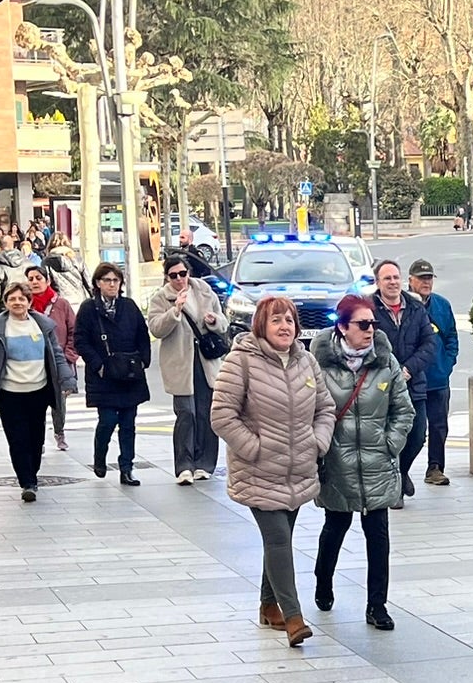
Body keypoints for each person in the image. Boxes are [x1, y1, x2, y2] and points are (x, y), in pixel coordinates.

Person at [210, 295, 334, 648]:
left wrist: (317, 442)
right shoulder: (241, 362)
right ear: (261, 325)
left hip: (298, 470)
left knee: (278, 542)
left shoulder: (306, 361)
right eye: (276, 320)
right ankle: (294, 616)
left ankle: (268, 606)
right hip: (259, 471)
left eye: (290, 321)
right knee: (278, 539)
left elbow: (325, 408)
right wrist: (255, 449)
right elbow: (222, 415)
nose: (284, 327)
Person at [315, 294, 414, 629]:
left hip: (377, 463)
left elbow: (404, 411)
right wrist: (322, 447)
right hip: (338, 463)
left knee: (378, 535)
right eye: (362, 324)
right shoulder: (321, 366)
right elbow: (310, 412)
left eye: (373, 323)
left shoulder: (385, 362)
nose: (370, 329)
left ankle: (377, 606)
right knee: (335, 527)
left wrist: (390, 444)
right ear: (342, 327)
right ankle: (323, 581)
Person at [0, 281, 71, 502]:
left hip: (38, 390)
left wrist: (66, 378)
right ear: (6, 303)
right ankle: (27, 482)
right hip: (10, 393)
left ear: (29, 302)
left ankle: (33, 473)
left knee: (36, 439)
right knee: (18, 439)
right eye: (12, 299)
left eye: (22, 299)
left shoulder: (43, 326)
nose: (17, 302)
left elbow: (56, 354)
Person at [148, 257, 226, 485]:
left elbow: (223, 322)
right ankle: (184, 466)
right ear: (166, 277)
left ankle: (205, 464)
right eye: (173, 276)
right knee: (186, 413)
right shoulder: (161, 298)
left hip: (205, 361)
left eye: (183, 274)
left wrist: (213, 320)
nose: (179, 279)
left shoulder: (203, 290)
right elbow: (156, 328)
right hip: (180, 362)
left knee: (206, 413)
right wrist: (175, 311)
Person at [73, 262, 151, 486]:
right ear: (98, 283)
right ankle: (100, 458)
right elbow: (80, 340)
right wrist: (98, 365)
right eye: (107, 280)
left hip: (129, 374)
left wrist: (143, 360)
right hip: (104, 376)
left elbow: (142, 334)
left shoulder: (128, 306)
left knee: (128, 424)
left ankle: (127, 467)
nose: (112, 284)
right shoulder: (89, 308)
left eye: (115, 280)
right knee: (107, 421)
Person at [371, 260, 437, 505]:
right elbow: (368, 344)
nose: (393, 282)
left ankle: (402, 471)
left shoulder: (415, 308)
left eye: (396, 277)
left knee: (418, 435)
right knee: (390, 438)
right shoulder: (369, 309)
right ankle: (395, 487)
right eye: (387, 278)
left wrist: (407, 369)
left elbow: (429, 344)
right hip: (382, 387)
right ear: (378, 283)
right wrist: (391, 371)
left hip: (413, 383)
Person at [407, 260, 458, 487]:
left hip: (438, 379)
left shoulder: (442, 305)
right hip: (412, 380)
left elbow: (452, 338)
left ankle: (435, 468)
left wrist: (447, 364)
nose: (426, 282)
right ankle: (401, 471)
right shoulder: (405, 306)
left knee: (439, 427)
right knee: (412, 431)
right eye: (421, 278)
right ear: (411, 281)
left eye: (429, 278)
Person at [24, 264, 79, 452]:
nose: (34, 282)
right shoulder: (25, 305)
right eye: (30, 279)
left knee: (59, 402)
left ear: (47, 281)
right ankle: (37, 440)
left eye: (38, 278)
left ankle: (59, 432)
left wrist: (68, 356)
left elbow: (74, 331)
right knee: (35, 404)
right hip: (32, 363)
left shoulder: (61, 304)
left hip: (59, 361)